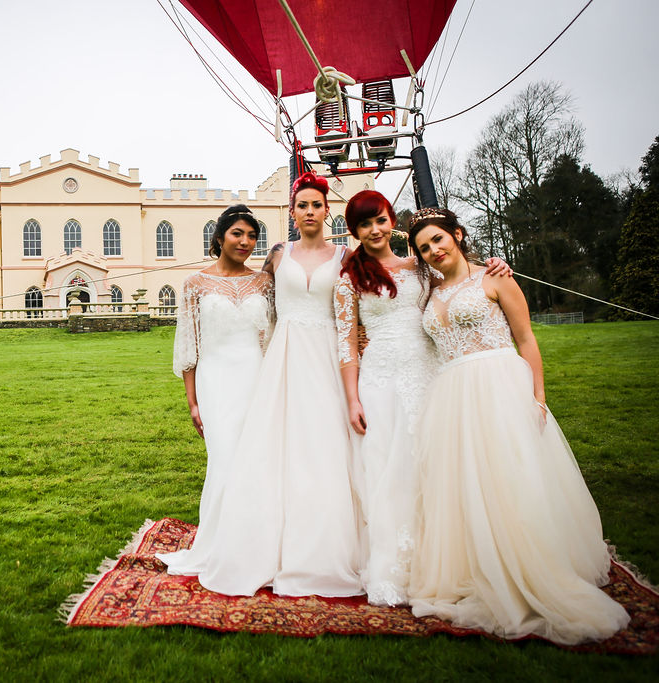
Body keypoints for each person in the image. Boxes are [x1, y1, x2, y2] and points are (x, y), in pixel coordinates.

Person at [406, 207, 629, 644]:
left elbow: (526, 339)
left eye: (438, 239)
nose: (434, 250)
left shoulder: (495, 277)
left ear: (458, 234)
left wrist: (538, 397)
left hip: (498, 386)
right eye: (424, 247)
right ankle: (475, 565)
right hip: (451, 394)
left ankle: (529, 566)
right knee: (465, 484)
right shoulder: (426, 292)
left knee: (511, 477)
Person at [333, 192, 512, 607]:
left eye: (379, 220)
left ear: (391, 221)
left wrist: (496, 265)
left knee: (438, 465)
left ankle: (451, 559)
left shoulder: (422, 267)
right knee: (389, 469)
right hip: (381, 378)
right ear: (354, 232)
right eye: (364, 225)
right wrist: (352, 399)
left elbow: (462, 279)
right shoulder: (350, 279)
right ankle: (395, 566)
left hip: (432, 372)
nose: (374, 230)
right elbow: (346, 344)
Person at [191, 172, 365, 597]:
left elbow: (387, 276)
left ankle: (326, 542)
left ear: (328, 211)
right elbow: (246, 290)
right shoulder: (277, 256)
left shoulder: (345, 256)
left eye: (316, 205)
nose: (309, 212)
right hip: (283, 358)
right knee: (278, 446)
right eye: (302, 206)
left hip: (324, 356)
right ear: (292, 213)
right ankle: (266, 537)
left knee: (324, 444)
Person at [156, 205, 274, 575]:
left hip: (257, 377)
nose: (246, 242)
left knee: (256, 461)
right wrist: (192, 402)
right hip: (215, 380)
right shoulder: (195, 284)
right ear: (220, 236)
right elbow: (188, 345)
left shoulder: (263, 284)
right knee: (224, 459)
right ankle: (220, 545)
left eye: (252, 236)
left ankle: (259, 543)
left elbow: (270, 339)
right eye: (238, 233)